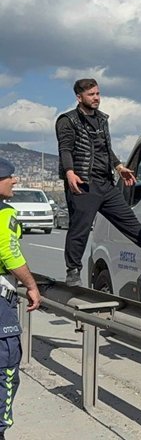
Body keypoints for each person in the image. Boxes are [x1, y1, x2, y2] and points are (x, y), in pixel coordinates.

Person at [56, 79, 141, 286]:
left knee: (128, 219)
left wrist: (118, 167)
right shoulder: (67, 120)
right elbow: (65, 149)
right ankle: (73, 271)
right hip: (83, 183)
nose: (96, 98)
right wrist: (69, 172)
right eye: (91, 95)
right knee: (80, 228)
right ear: (79, 97)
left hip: (105, 182)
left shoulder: (102, 119)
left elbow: (106, 149)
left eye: (97, 93)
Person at [0, 158, 42, 439]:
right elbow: (9, 252)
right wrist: (31, 285)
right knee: (6, 367)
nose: (15, 180)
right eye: (9, 176)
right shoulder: (4, 215)